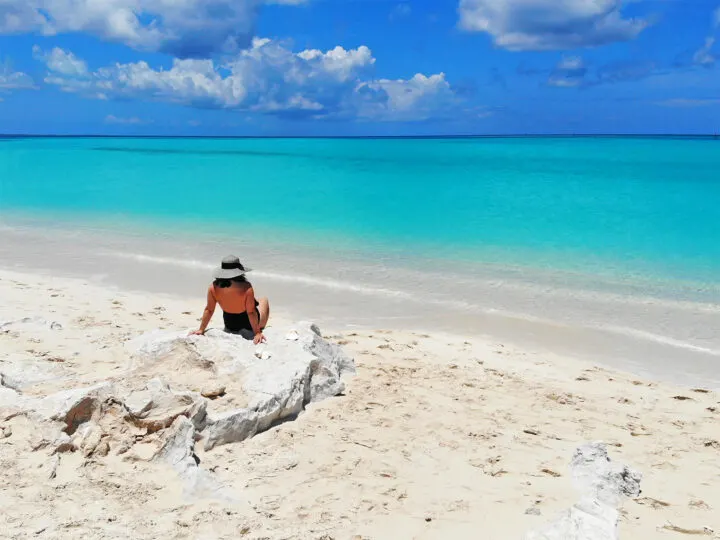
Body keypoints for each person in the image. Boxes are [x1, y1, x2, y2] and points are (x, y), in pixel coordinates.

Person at [191, 255, 270, 344]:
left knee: (255, 301)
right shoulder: (246, 287)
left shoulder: (213, 287)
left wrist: (201, 329)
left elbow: (209, 310)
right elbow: (251, 312)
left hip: (230, 324)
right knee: (264, 300)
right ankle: (261, 326)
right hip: (247, 324)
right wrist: (257, 332)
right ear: (239, 271)